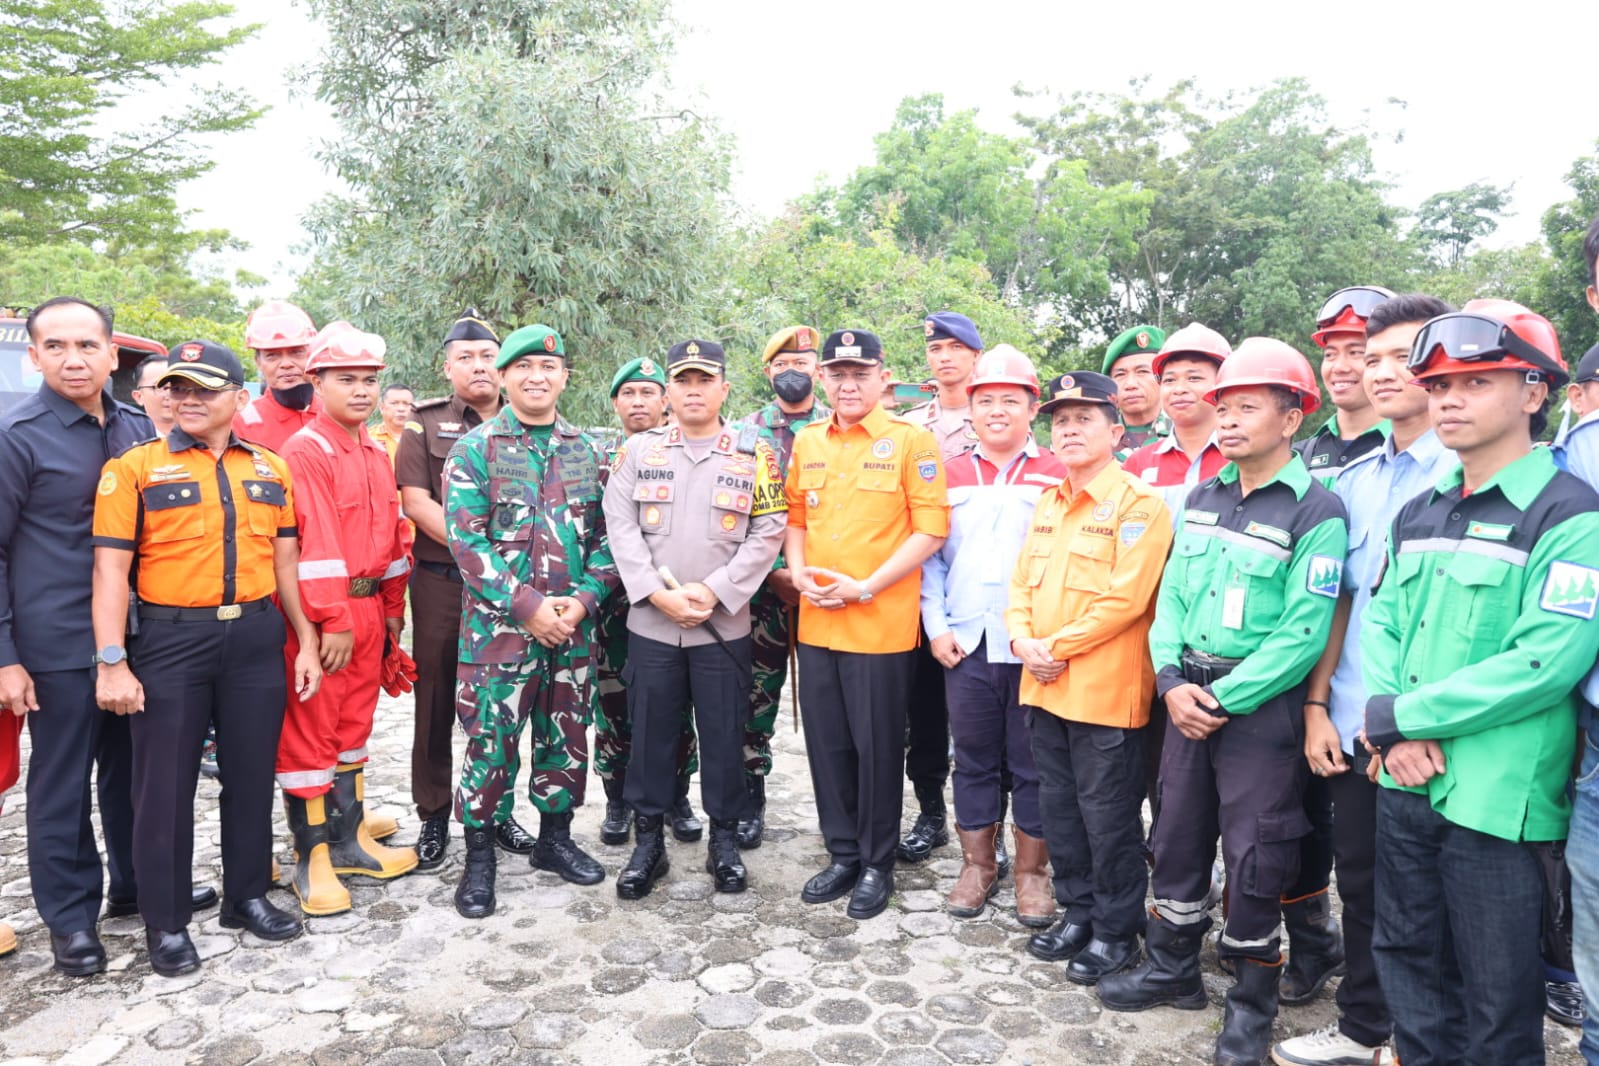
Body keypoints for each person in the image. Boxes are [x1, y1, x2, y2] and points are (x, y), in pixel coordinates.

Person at [1359, 299, 1599, 1066]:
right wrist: (1394, 730)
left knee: (1498, 1001)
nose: (1448, 400)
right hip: (1405, 782)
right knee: (1407, 964)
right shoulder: (1416, 511)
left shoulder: (1572, 515)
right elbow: (1384, 624)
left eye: (1475, 382)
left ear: (1535, 392)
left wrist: (1403, 719)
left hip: (1498, 801)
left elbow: (1545, 660)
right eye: (1436, 386)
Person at [1099, 339, 1347, 1066]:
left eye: (1245, 407)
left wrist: (1222, 697)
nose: (1228, 421)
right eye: (1223, 408)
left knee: (1255, 853)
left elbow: (1305, 631)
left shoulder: (1317, 511)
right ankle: (1173, 968)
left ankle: (1250, 1004)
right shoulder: (1204, 495)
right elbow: (1171, 594)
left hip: (1258, 710)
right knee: (1175, 833)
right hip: (1186, 695)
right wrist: (1172, 681)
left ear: (1291, 417)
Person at [90, 339, 321, 975]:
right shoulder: (133, 469)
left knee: (250, 775)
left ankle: (246, 895)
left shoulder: (271, 468)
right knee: (163, 788)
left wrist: (301, 638)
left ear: (238, 399)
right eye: (178, 389)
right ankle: (165, 924)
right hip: (169, 642)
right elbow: (110, 571)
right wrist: (112, 660)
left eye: (204, 390)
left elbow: (284, 561)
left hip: (253, 636)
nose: (187, 399)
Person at [0, 297, 215, 978]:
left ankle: (134, 887)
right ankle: (69, 919)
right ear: (34, 355)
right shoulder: (16, 436)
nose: (73, 359)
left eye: (87, 346)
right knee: (61, 784)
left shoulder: (135, 429)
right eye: (56, 346)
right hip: (56, 643)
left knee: (137, 777)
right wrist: (5, 657)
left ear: (112, 355)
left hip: (138, 639)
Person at [1271, 294, 1456, 1066]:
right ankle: (1362, 1028)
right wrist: (1317, 705)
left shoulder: (1466, 472)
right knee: (1367, 884)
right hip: (1350, 720)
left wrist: (1410, 720)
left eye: (1399, 356)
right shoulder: (1354, 479)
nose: (1380, 372)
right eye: (1369, 358)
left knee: (1442, 901)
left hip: (1435, 733)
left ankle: (1430, 1040)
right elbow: (1336, 602)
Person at [446, 324, 618, 919]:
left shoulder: (590, 451)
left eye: (548, 368)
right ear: (503, 377)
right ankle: (479, 860)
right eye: (523, 368)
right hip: (499, 637)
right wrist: (529, 608)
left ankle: (555, 840)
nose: (536, 378)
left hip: (571, 633)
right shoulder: (477, 450)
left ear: (564, 377)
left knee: (566, 740)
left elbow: (608, 540)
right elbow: (467, 544)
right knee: (491, 745)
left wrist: (584, 600)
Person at [604, 340, 786, 898]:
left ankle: (724, 842)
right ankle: (648, 845)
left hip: (721, 624)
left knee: (726, 736)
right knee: (652, 735)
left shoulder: (755, 453)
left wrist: (716, 590)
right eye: (682, 381)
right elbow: (620, 523)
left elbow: (769, 529)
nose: (693, 390)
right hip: (653, 623)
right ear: (669, 393)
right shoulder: (639, 451)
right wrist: (656, 595)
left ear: (723, 389)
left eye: (704, 380)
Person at [1007, 370, 1173, 982]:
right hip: (1044, 687)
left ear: (1116, 427)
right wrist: (1025, 640)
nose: (1069, 429)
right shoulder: (1049, 501)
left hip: (1105, 694)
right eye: (1060, 420)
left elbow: (1126, 601)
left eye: (1084, 419)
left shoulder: (1140, 505)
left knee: (1109, 820)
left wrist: (1052, 644)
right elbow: (1021, 583)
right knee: (1061, 813)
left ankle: (1115, 929)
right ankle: (1077, 912)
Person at [786, 328, 948, 920]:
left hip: (879, 621)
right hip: (817, 620)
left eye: (860, 374)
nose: (848, 384)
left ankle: (878, 862)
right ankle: (843, 852)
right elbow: (796, 515)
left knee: (877, 746)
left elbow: (931, 530)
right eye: (837, 374)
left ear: (884, 378)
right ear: (822, 380)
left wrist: (869, 585)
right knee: (827, 745)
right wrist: (798, 571)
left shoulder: (913, 441)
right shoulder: (807, 440)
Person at [276, 322, 419, 916]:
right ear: (317, 381)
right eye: (346, 379)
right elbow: (317, 544)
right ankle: (311, 861)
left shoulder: (371, 450)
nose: (360, 391)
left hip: (366, 610)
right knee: (312, 736)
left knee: (354, 730)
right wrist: (330, 620)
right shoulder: (307, 451)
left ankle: (351, 841)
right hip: (324, 615)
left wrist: (390, 616)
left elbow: (390, 537)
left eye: (368, 381)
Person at [920, 346, 1064, 925]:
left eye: (1011, 400)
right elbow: (930, 559)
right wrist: (935, 627)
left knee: (1034, 762)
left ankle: (1032, 873)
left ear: (1033, 408)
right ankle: (978, 865)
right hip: (966, 642)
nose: (997, 410)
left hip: (1035, 648)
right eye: (986, 400)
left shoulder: (1058, 472)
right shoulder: (948, 473)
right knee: (974, 758)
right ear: (969, 407)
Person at [395, 309, 534, 869]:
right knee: (433, 703)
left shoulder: (528, 421)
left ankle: (497, 812)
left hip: (513, 592)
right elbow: (416, 501)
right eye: (465, 358)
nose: (477, 366)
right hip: (444, 587)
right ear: (446, 366)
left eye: (486, 357)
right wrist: (479, 555)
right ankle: (433, 817)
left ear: (501, 367)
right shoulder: (422, 425)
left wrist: (504, 576)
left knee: (504, 702)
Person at [593, 356, 701, 846]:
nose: (638, 402)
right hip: (612, 607)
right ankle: (617, 800)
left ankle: (677, 795)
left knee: (676, 707)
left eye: (647, 393)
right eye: (628, 393)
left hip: (671, 603)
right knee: (613, 703)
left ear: (665, 401)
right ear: (615, 402)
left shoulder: (680, 450)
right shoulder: (594, 455)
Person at [734, 325, 832, 849]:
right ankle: (751, 800)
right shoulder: (743, 433)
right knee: (754, 700)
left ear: (819, 369)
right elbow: (731, 513)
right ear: (768, 372)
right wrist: (776, 569)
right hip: (763, 591)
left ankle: (844, 808)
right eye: (782, 364)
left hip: (835, 589)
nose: (793, 370)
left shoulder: (843, 424)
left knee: (838, 706)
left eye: (804, 361)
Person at [897, 311, 988, 871]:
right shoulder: (907, 426)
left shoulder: (1000, 419)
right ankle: (930, 812)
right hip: (915, 590)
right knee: (924, 712)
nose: (945, 357)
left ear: (976, 356)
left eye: (956, 348)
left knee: (987, 720)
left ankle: (991, 828)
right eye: (936, 349)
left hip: (979, 589)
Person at [1121, 323, 1232, 518]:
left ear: (1222, 385)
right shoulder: (1137, 464)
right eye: (1170, 380)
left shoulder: (1244, 458)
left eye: (1194, 378)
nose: (1179, 389)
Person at [1296, 286, 1396, 485]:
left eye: (1356, 353)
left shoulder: (1407, 451)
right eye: (1330, 355)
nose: (1339, 367)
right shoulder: (1299, 456)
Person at [234, 300, 322, 451]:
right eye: (272, 356)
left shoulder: (337, 414)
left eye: (296, 352)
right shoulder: (240, 425)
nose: (286, 364)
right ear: (258, 362)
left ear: (313, 355)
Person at [1101, 325, 1169, 456]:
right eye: (1120, 375)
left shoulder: (1184, 431)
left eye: (1142, 372)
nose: (1130, 384)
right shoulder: (1100, 439)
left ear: (1163, 377)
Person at [368, 382, 416, 465]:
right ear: (382, 408)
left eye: (406, 404)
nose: (401, 409)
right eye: (394, 403)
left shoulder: (421, 438)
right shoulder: (370, 438)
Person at [130, 353, 174, 438]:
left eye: (176, 387)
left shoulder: (201, 439)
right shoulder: (126, 438)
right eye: (160, 387)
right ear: (139, 397)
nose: (169, 394)